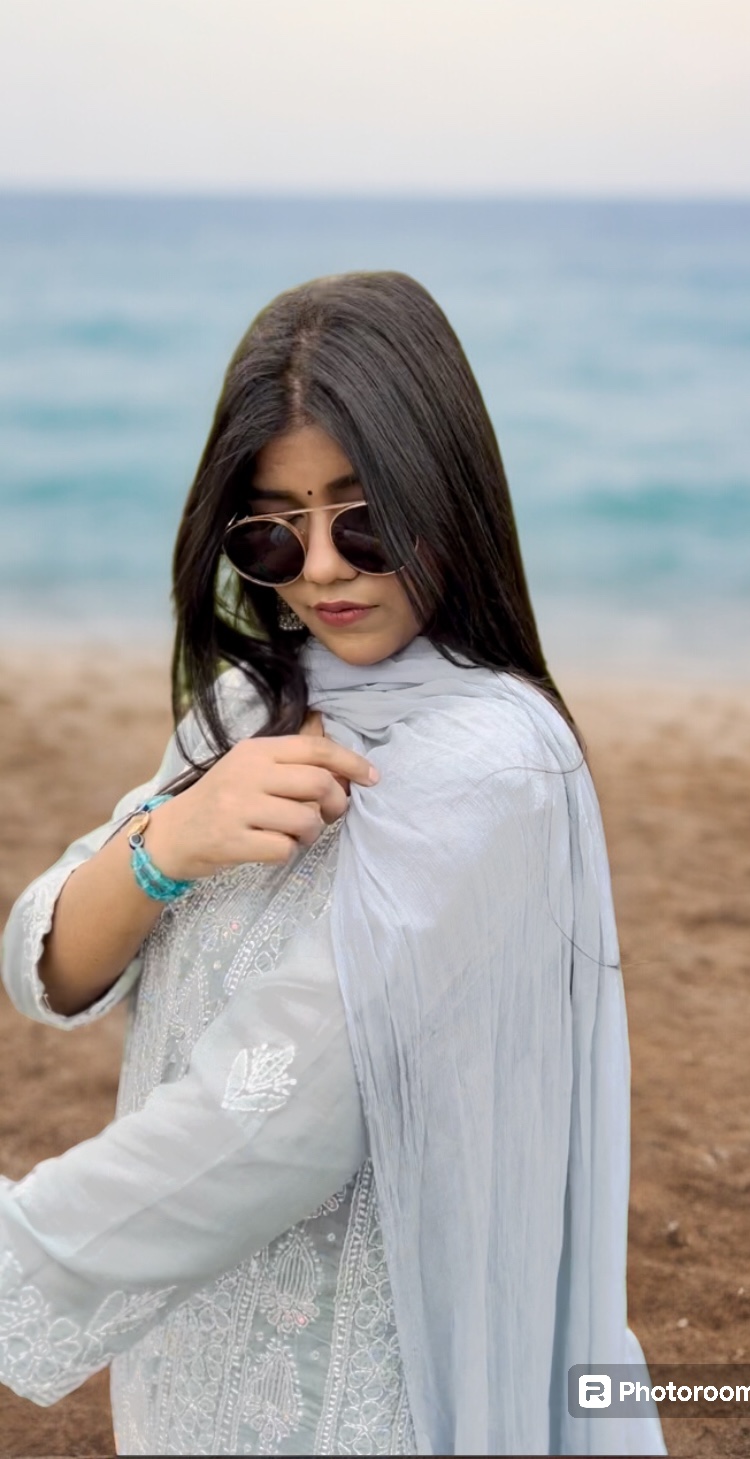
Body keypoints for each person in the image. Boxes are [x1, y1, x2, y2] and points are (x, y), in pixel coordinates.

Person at [0, 271, 666, 1457]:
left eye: (363, 520)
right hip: (186, 1341)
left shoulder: (490, 765)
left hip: (353, 1392)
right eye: (271, 530)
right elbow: (46, 962)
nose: (318, 569)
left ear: (446, 496)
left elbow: (274, 1117)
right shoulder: (249, 701)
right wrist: (169, 841)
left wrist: (23, 1253)